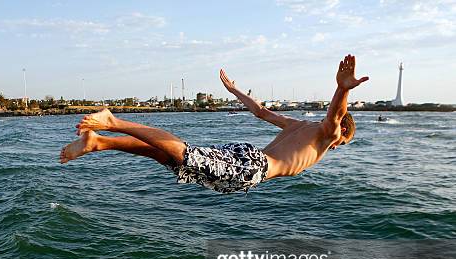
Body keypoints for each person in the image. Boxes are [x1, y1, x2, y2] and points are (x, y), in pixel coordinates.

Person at [60, 55, 369, 194]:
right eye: (341, 142)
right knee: (184, 154)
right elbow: (335, 118)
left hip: (247, 155)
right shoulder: (327, 135)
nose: (336, 145)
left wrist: (236, 91)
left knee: (169, 158)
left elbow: (261, 112)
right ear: (342, 134)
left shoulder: (299, 124)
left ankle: (99, 142)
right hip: (253, 169)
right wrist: (342, 89)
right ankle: (114, 122)